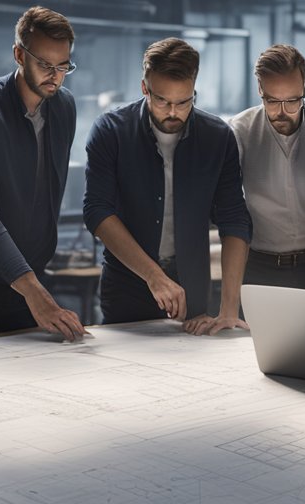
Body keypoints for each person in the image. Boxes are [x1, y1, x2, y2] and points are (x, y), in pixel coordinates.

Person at [83, 37, 251, 334]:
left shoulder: (218, 138)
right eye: (162, 100)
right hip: (127, 288)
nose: (173, 112)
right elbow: (97, 211)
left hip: (194, 290)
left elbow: (234, 219)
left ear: (194, 90)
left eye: (184, 102)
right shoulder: (111, 131)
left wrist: (228, 309)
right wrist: (154, 276)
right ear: (144, 88)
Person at [0, 6, 87, 341]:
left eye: (63, 66)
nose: (54, 75)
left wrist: (37, 285)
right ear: (18, 54)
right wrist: (34, 293)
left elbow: (49, 194)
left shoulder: (64, 107)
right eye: (44, 64)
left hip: (36, 280)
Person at [229, 44, 305, 292]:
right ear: (260, 90)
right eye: (272, 101)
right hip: (257, 265)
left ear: (304, 87)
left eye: (292, 100)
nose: (282, 112)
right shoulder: (239, 131)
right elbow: (228, 210)